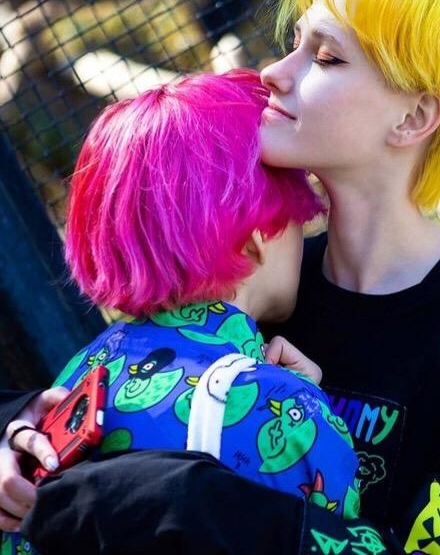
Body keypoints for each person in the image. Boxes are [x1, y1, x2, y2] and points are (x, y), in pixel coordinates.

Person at [0, 0, 440, 555]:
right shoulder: (255, 276)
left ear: (413, 117)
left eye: (326, 58)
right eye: (294, 44)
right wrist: (17, 428)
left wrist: (190, 500)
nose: (273, 72)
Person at [2, 69, 361, 554]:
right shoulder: (284, 409)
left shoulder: (76, 381)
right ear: (257, 240)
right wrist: (301, 403)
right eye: (298, 218)